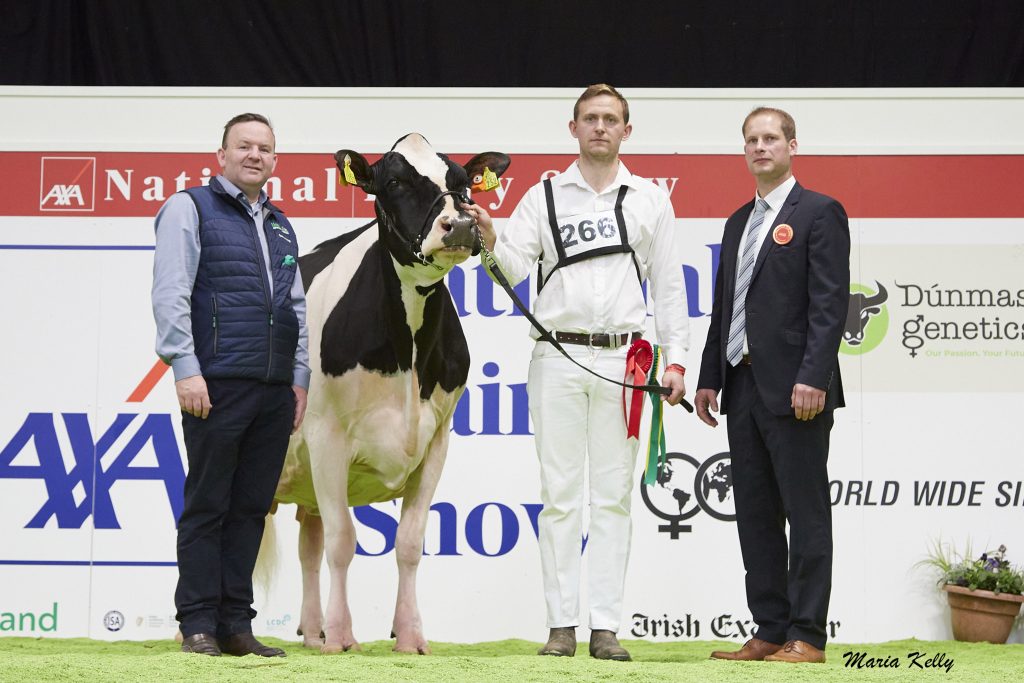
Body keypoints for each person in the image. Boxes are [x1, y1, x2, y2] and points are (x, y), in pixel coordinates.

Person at [467, 84, 689, 661]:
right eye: (590, 118)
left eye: (610, 119)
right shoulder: (542, 196)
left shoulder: (649, 198)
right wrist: (491, 239)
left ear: (626, 130)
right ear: (573, 129)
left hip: (624, 359)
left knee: (613, 497)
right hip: (557, 356)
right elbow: (512, 266)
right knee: (560, 496)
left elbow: (668, 286)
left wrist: (678, 359)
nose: (599, 128)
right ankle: (561, 625)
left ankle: (606, 625)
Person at [695, 107, 850, 664]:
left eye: (771, 138)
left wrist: (814, 376)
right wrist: (711, 376)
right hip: (742, 386)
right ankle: (768, 627)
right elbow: (724, 307)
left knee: (805, 512)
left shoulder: (820, 212)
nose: (761, 147)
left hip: (797, 391)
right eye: (752, 140)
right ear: (744, 150)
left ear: (791, 146)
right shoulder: (739, 221)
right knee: (756, 513)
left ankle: (807, 635)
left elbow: (830, 304)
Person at [152, 113, 310, 657]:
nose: (254, 155)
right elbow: (172, 291)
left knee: (251, 508)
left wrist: (298, 378)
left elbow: (295, 306)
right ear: (221, 154)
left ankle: (236, 626)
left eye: (265, 148)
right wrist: (184, 366)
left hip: (272, 388)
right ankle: (196, 623)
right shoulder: (189, 208)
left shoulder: (282, 224)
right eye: (244, 146)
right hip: (215, 381)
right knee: (208, 504)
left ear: (274, 160)